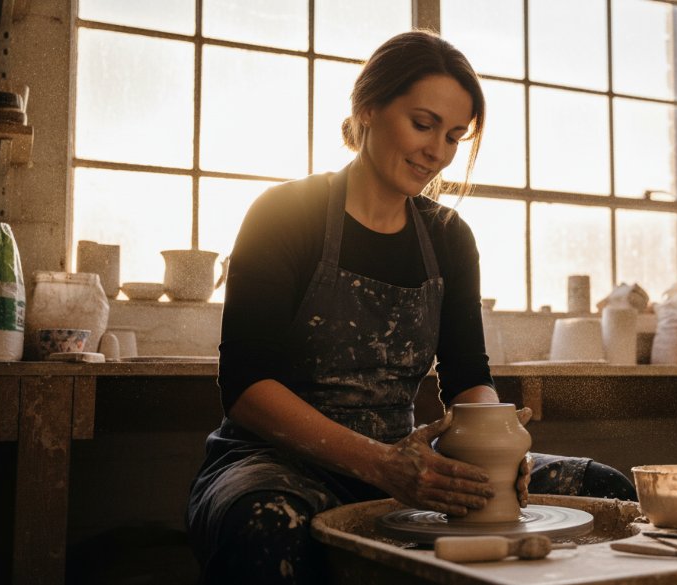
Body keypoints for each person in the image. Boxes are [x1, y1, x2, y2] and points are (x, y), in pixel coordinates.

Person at [186, 30, 636, 585]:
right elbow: (246, 387)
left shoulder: (448, 236)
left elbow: (469, 375)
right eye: (423, 124)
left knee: (602, 489)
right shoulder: (285, 214)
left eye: (453, 136)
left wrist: (496, 447)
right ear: (369, 107)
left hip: (407, 463)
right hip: (273, 463)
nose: (438, 152)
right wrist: (380, 464)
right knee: (268, 526)